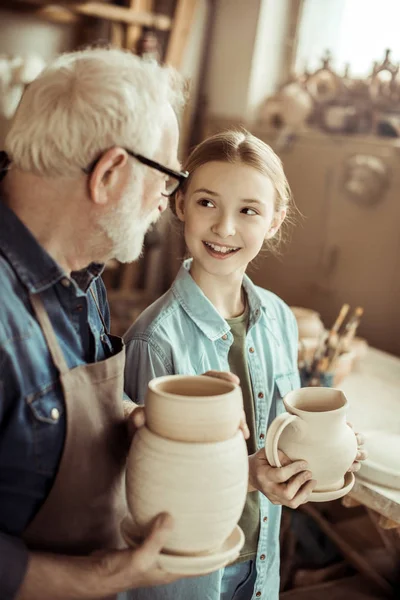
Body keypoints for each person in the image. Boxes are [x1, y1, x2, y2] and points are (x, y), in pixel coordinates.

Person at [0, 47, 242, 600]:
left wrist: (144, 420)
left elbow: (46, 430)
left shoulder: (79, 271)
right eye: (166, 176)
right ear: (108, 172)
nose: (168, 199)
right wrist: (104, 577)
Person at [124, 129, 366, 600]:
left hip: (262, 569)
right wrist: (246, 474)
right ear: (180, 205)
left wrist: (327, 446)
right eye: (207, 203)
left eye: (249, 210)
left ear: (275, 221)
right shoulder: (153, 341)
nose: (225, 228)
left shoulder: (279, 318)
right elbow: (137, 489)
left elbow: (283, 432)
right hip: (186, 581)